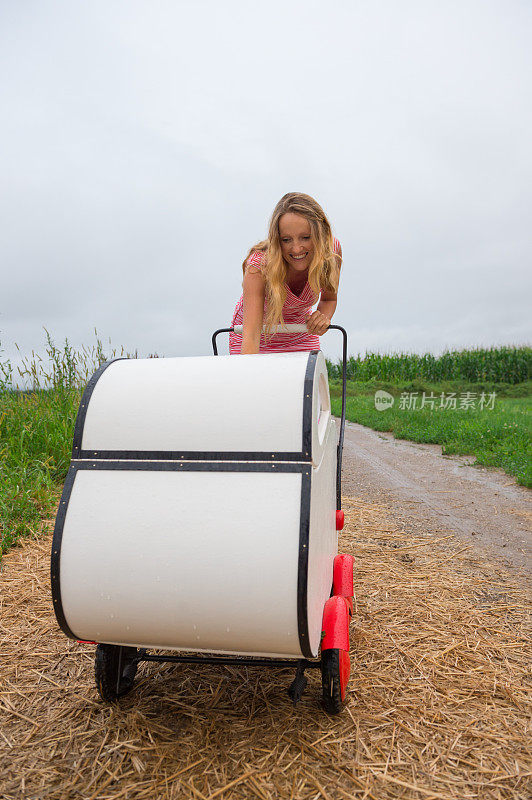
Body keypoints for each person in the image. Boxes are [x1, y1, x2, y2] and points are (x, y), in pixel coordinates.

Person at [229, 192, 342, 354]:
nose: (296, 249)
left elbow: (329, 299)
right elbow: (251, 335)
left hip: (300, 332)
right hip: (256, 336)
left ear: (320, 234)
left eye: (305, 237)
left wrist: (322, 317)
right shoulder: (258, 266)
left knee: (308, 379)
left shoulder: (331, 251)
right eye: (286, 240)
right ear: (276, 239)